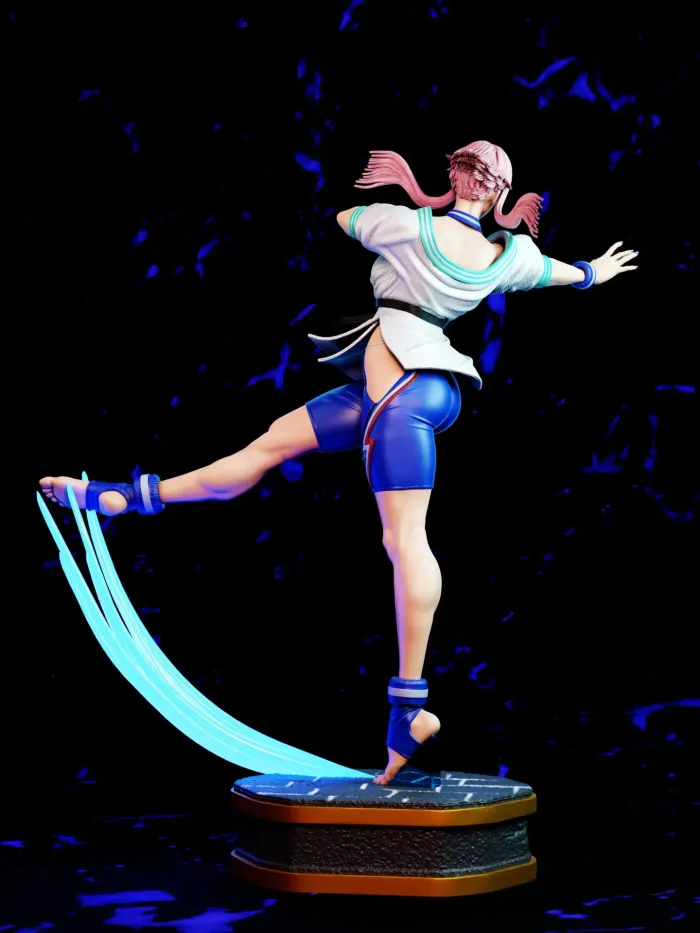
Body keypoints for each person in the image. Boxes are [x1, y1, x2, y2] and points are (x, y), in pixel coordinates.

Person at [39, 141, 638, 785]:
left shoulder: (407, 225)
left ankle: (409, 709)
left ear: (458, 179)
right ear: (497, 193)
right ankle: (128, 498)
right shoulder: (507, 254)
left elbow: (347, 219)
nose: (466, 183)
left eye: (462, 175)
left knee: (403, 537)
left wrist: (421, 197)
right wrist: (592, 272)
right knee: (271, 444)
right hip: (402, 389)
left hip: (402, 390)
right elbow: (559, 273)